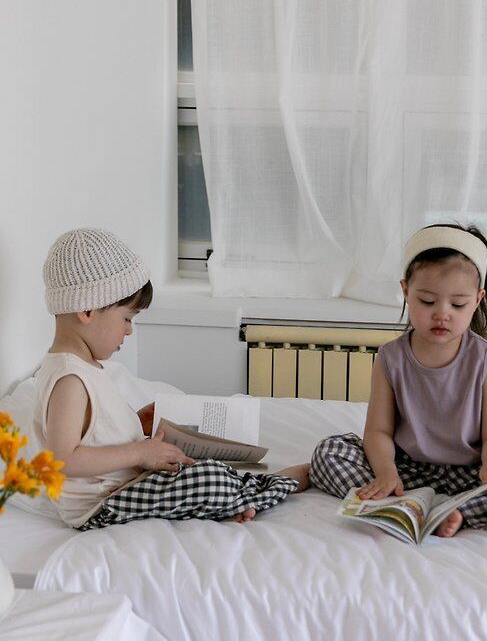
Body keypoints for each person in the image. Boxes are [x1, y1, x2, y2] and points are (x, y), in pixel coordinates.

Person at [34, 227, 309, 530]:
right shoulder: (70, 380)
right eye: (127, 318)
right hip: (102, 505)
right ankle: (265, 489)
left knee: (192, 465)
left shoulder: (85, 367)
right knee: (205, 479)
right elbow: (62, 460)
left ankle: (234, 497)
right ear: (87, 309)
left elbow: (93, 432)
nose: (129, 330)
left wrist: (135, 424)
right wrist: (139, 451)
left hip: (123, 487)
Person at [310, 224, 487, 535]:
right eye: (427, 301)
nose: (442, 314)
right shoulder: (390, 358)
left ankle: (457, 510)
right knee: (329, 451)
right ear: (406, 291)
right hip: (409, 469)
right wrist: (387, 473)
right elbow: (378, 431)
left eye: (457, 304)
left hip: (473, 471)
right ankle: (406, 503)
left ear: (477, 300)